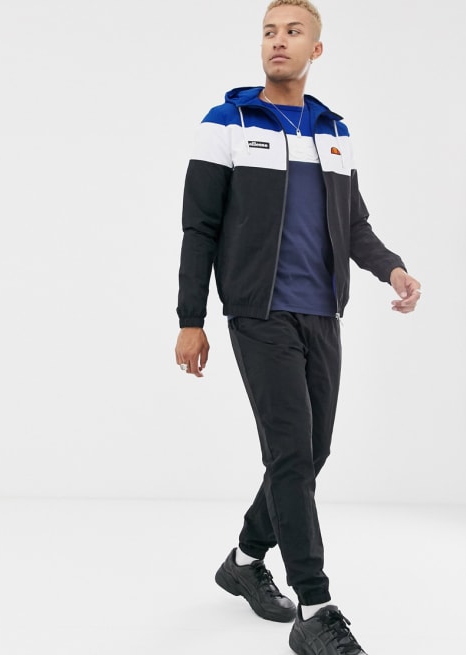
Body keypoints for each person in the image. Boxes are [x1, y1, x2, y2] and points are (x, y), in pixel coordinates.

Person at [174, 1, 421, 653]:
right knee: (289, 452)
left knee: (311, 453)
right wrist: (191, 319)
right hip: (258, 312)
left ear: (316, 49)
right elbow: (199, 226)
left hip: (321, 312)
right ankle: (315, 608)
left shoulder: (333, 130)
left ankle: (244, 561)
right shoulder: (226, 122)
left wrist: (391, 268)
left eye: (292, 31)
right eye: (268, 31)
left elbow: (354, 224)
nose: (277, 41)